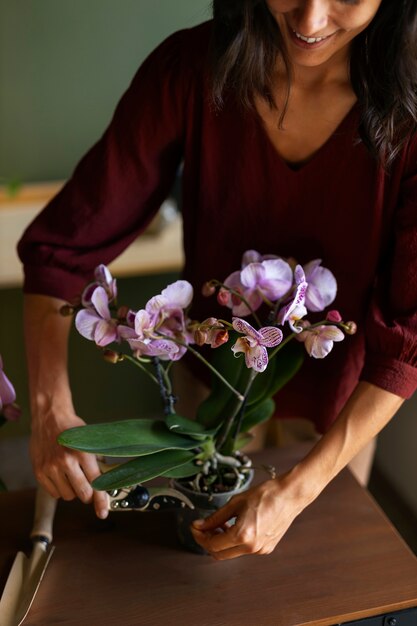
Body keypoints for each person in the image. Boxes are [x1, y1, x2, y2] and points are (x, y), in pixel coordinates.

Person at [18, 0, 417, 560]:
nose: (309, 21)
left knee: (324, 582)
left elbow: (408, 337)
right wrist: (48, 409)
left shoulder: (412, 111)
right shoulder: (190, 70)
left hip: (346, 410)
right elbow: (60, 248)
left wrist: (295, 491)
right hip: (209, 394)